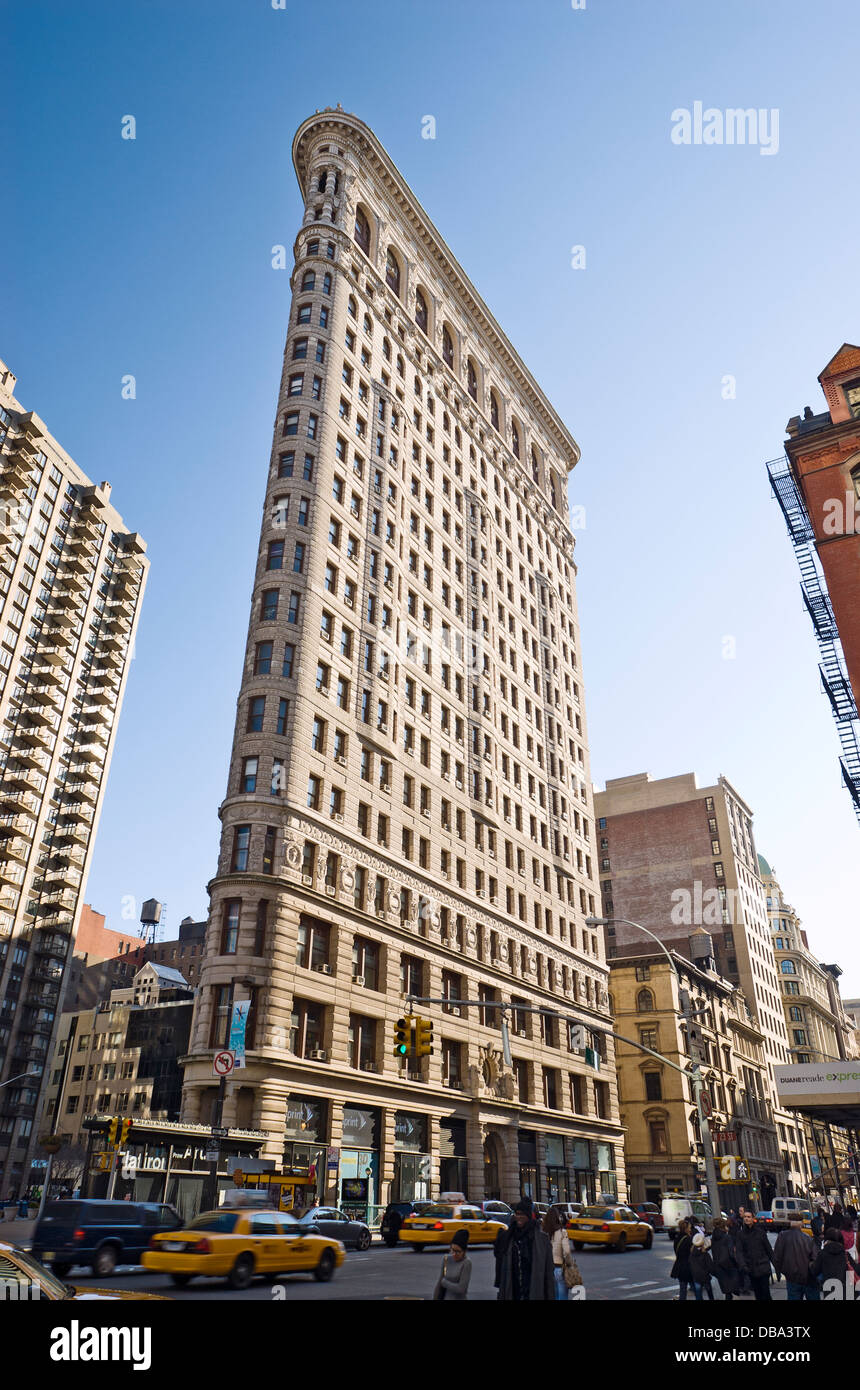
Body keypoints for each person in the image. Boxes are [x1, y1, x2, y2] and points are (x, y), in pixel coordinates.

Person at [494, 1198, 555, 1301]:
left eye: (522, 1214)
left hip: (533, 1290)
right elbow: (502, 1267)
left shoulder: (541, 1239)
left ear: (528, 1216)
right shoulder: (509, 1237)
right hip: (514, 1290)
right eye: (517, 1214)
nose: (519, 1217)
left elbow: (548, 1274)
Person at [772, 1212, 819, 1301]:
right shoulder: (808, 1238)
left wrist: (784, 1272)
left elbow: (777, 1258)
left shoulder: (782, 1236)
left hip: (792, 1278)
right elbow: (815, 1259)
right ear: (801, 1223)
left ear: (790, 1222)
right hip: (808, 1278)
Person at [735, 1209, 775, 1300]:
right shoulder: (740, 1234)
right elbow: (739, 1251)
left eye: (749, 1217)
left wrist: (776, 1266)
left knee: (765, 1292)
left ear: (753, 1219)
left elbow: (769, 1250)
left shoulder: (760, 1232)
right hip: (751, 1268)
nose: (746, 1219)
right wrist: (743, 1265)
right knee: (758, 1293)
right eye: (745, 1217)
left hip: (763, 1267)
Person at [812, 1226, 860, 1291]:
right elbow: (856, 1270)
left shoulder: (822, 1254)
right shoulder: (845, 1255)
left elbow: (815, 1271)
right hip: (846, 1290)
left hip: (829, 1289)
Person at [542, 1206, 572, 1302]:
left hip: (547, 1270)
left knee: (552, 1296)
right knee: (562, 1296)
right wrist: (570, 1265)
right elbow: (566, 1252)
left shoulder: (543, 1233)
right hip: (559, 1268)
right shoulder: (562, 1232)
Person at [433, 1229, 472, 1300]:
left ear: (464, 1251)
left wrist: (445, 1283)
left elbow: (461, 1288)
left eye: (458, 1252)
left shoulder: (466, 1263)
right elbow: (439, 1283)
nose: (454, 1254)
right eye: (452, 1250)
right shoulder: (446, 1259)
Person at [710, 1218, 741, 1301]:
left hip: (718, 1265)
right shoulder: (727, 1237)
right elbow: (731, 1253)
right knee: (732, 1287)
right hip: (728, 1265)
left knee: (727, 1290)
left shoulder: (713, 1238)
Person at [670, 1218, 693, 1301]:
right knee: (697, 1287)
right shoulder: (688, 1239)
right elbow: (692, 1253)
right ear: (686, 1229)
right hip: (688, 1267)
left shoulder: (677, 1238)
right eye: (689, 1228)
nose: (690, 1229)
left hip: (679, 1266)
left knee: (683, 1289)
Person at [689, 1232, 715, 1301]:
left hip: (696, 1276)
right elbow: (710, 1266)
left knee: (698, 1293)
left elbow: (690, 1265)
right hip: (705, 1276)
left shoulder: (692, 1253)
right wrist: (713, 1273)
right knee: (709, 1292)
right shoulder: (705, 1254)